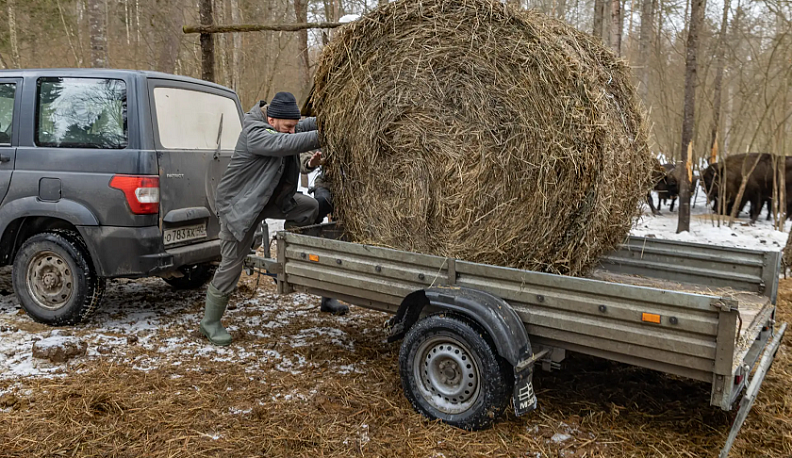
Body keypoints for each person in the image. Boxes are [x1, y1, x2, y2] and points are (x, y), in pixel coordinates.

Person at [200, 92, 348, 347]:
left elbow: (304, 126)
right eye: (288, 126)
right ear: (271, 120)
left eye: (293, 126)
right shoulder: (255, 133)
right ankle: (210, 322)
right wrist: (329, 134)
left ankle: (286, 254)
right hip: (241, 206)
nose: (292, 130)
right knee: (232, 264)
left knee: (309, 207)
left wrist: (336, 118)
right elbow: (284, 143)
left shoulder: (282, 124)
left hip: (270, 198)